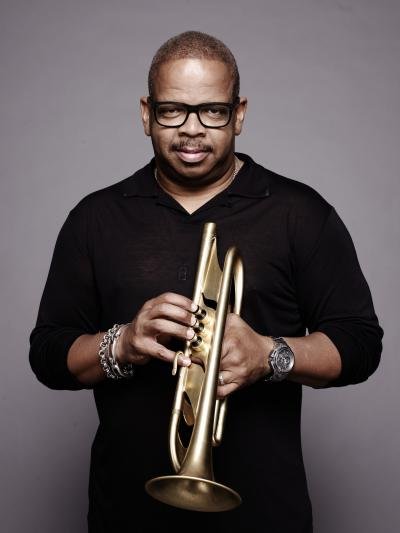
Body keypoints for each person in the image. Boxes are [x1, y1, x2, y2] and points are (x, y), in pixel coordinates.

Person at [30, 31, 383, 532]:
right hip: (126, 513)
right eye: (172, 110)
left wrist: (270, 355)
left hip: (265, 514)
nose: (191, 129)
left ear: (239, 114)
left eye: (212, 111)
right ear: (146, 114)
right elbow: (48, 355)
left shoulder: (300, 213)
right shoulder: (95, 218)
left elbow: (360, 344)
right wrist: (122, 343)